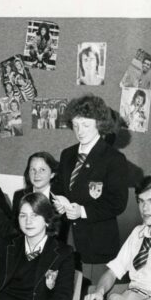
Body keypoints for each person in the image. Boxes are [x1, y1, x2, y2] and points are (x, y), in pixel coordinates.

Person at [52, 94, 128, 282]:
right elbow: (58, 186)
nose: (80, 131)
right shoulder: (67, 154)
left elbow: (117, 203)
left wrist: (82, 211)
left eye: (86, 125)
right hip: (66, 237)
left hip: (96, 243)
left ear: (99, 124)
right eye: (76, 125)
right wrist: (59, 201)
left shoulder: (113, 159)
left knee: (89, 295)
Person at [12, 151, 59, 217]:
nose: (36, 174)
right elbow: (15, 225)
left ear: (52, 174)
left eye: (42, 170)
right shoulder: (19, 196)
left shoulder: (60, 197)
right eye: (33, 169)